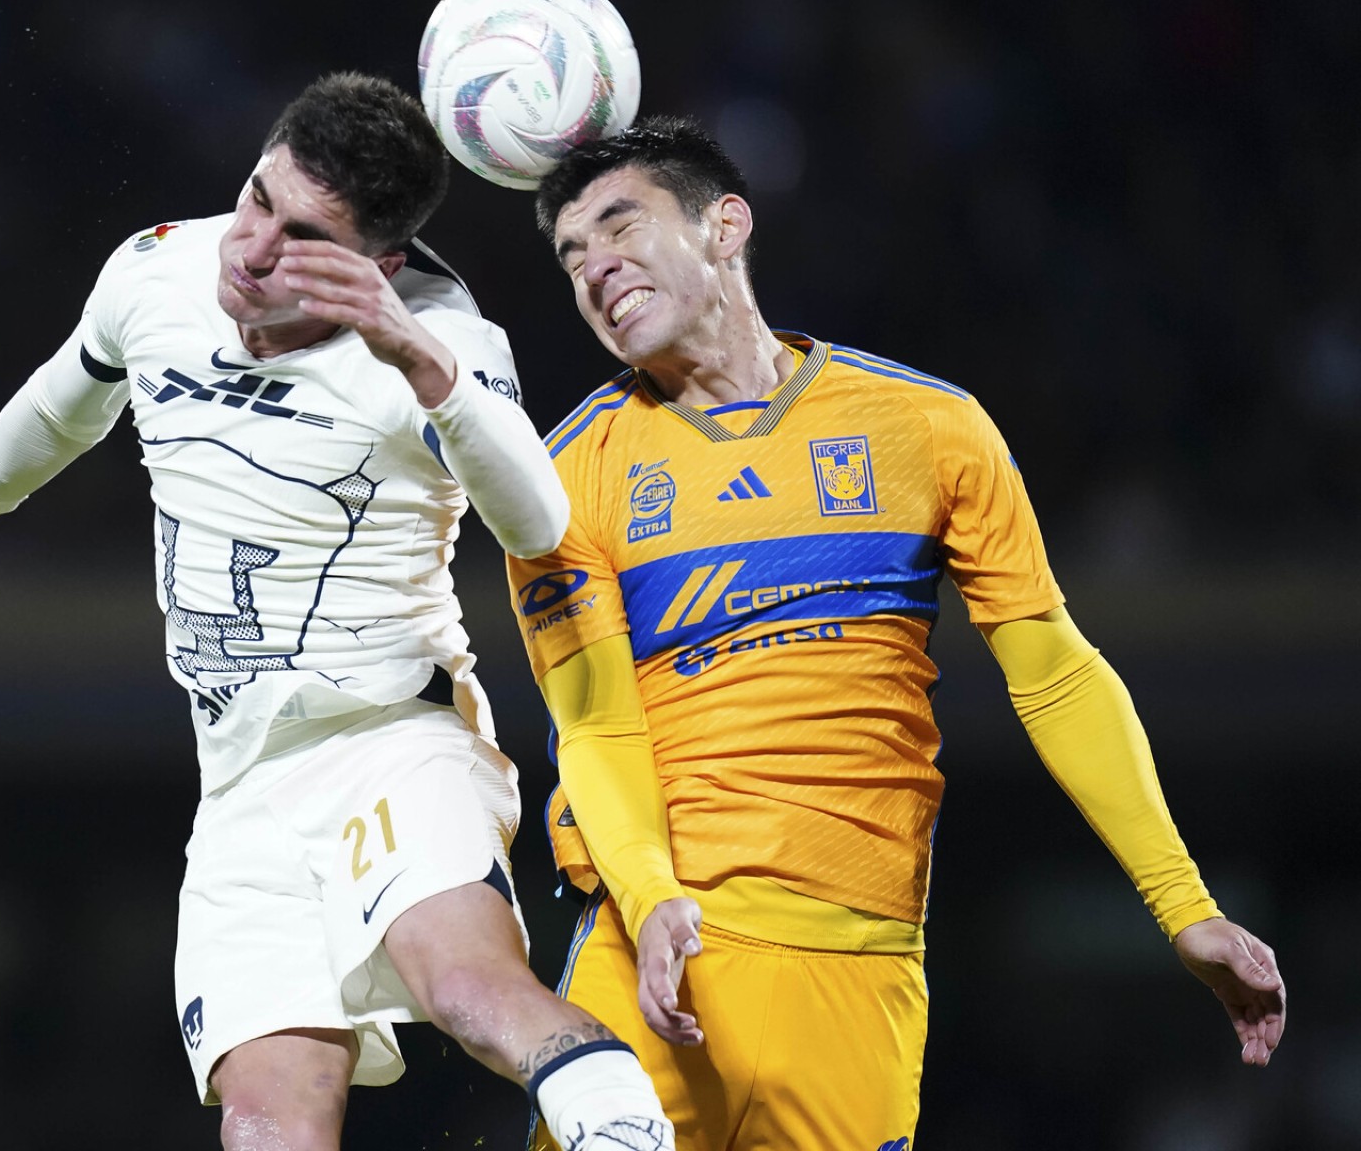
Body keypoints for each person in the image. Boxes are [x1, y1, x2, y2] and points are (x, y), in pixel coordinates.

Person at [0, 72, 672, 1151]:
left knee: (468, 989)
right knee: (266, 1117)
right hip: (238, 777)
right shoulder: (158, 268)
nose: (252, 248)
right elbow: (66, 398)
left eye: (303, 237)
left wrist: (413, 356)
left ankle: (627, 1131)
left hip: (388, 736)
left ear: (378, 265)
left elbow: (535, 516)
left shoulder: (440, 341)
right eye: (257, 198)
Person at [506, 116, 1287, 1150]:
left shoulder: (928, 426)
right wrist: (650, 900)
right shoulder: (564, 479)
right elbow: (596, 725)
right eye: (571, 256)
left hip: (862, 976)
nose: (595, 267)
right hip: (658, 954)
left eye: (619, 225)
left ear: (726, 225)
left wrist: (1184, 904)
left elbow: (1055, 674)